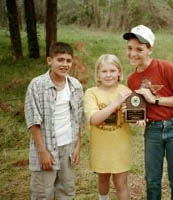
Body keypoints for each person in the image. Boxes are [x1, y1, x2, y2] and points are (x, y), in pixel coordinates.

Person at [123, 25, 173, 200]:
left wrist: (156, 99)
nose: (133, 53)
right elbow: (139, 109)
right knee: (152, 180)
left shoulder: (165, 67)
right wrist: (136, 118)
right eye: (130, 48)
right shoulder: (132, 80)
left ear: (150, 49)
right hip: (152, 131)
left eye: (139, 49)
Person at [24, 42, 84, 200]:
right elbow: (33, 122)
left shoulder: (75, 86)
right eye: (60, 60)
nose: (65, 64)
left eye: (68, 61)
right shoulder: (37, 85)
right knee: (43, 193)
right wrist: (42, 152)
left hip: (68, 147)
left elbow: (77, 118)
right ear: (49, 61)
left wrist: (78, 145)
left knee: (67, 191)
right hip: (46, 148)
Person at [84, 54, 132, 200]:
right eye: (104, 71)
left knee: (121, 183)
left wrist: (139, 119)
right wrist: (115, 104)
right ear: (98, 74)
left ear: (119, 73)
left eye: (112, 70)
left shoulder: (126, 92)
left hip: (120, 146)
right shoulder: (91, 93)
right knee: (103, 179)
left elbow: (134, 118)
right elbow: (94, 119)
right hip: (101, 146)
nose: (108, 75)